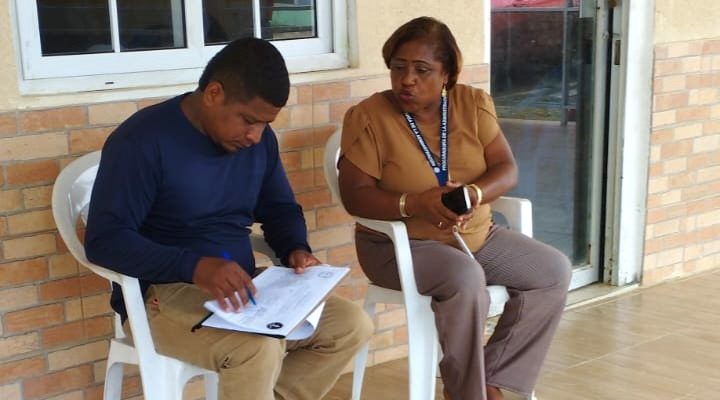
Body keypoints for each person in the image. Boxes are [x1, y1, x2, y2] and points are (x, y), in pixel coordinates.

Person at [85, 38, 373, 400]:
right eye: (248, 121)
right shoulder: (142, 141)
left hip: (244, 288)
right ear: (214, 94)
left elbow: (280, 209)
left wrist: (295, 249)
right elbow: (104, 240)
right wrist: (193, 267)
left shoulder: (259, 141)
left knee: (350, 326)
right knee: (256, 349)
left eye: (265, 124)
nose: (255, 136)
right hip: (160, 297)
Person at [338, 16, 571, 400]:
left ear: (446, 74)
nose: (407, 80)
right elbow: (355, 195)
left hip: (474, 235)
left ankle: (490, 378)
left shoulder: (471, 105)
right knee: (465, 279)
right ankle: (467, 392)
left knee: (552, 271)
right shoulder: (370, 116)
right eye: (398, 68)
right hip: (400, 246)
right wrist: (415, 203)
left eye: (422, 70)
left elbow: (507, 169)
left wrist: (474, 194)